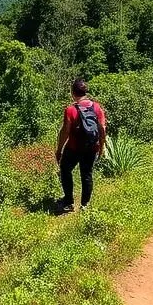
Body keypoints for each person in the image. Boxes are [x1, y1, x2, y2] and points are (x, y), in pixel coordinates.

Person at [55, 78, 107, 213]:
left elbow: (65, 131)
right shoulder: (96, 107)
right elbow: (102, 128)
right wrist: (101, 147)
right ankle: (85, 205)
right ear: (85, 92)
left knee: (65, 170)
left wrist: (59, 150)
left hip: (73, 148)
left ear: (73, 92)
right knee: (87, 174)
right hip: (91, 148)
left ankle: (69, 202)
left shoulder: (71, 109)